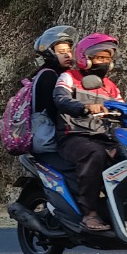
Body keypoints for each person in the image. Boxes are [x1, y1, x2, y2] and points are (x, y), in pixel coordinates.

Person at [53, 33, 123, 231]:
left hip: (103, 137)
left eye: (107, 59)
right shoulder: (69, 77)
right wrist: (84, 106)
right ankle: (89, 214)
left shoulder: (110, 86)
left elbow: (123, 109)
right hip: (73, 136)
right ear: (86, 58)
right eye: (100, 57)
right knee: (95, 154)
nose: (105, 62)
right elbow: (61, 99)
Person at [29, 25, 77, 156]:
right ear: (50, 53)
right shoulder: (49, 76)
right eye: (61, 52)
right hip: (48, 138)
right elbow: (54, 110)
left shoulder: (49, 74)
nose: (68, 55)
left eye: (69, 50)